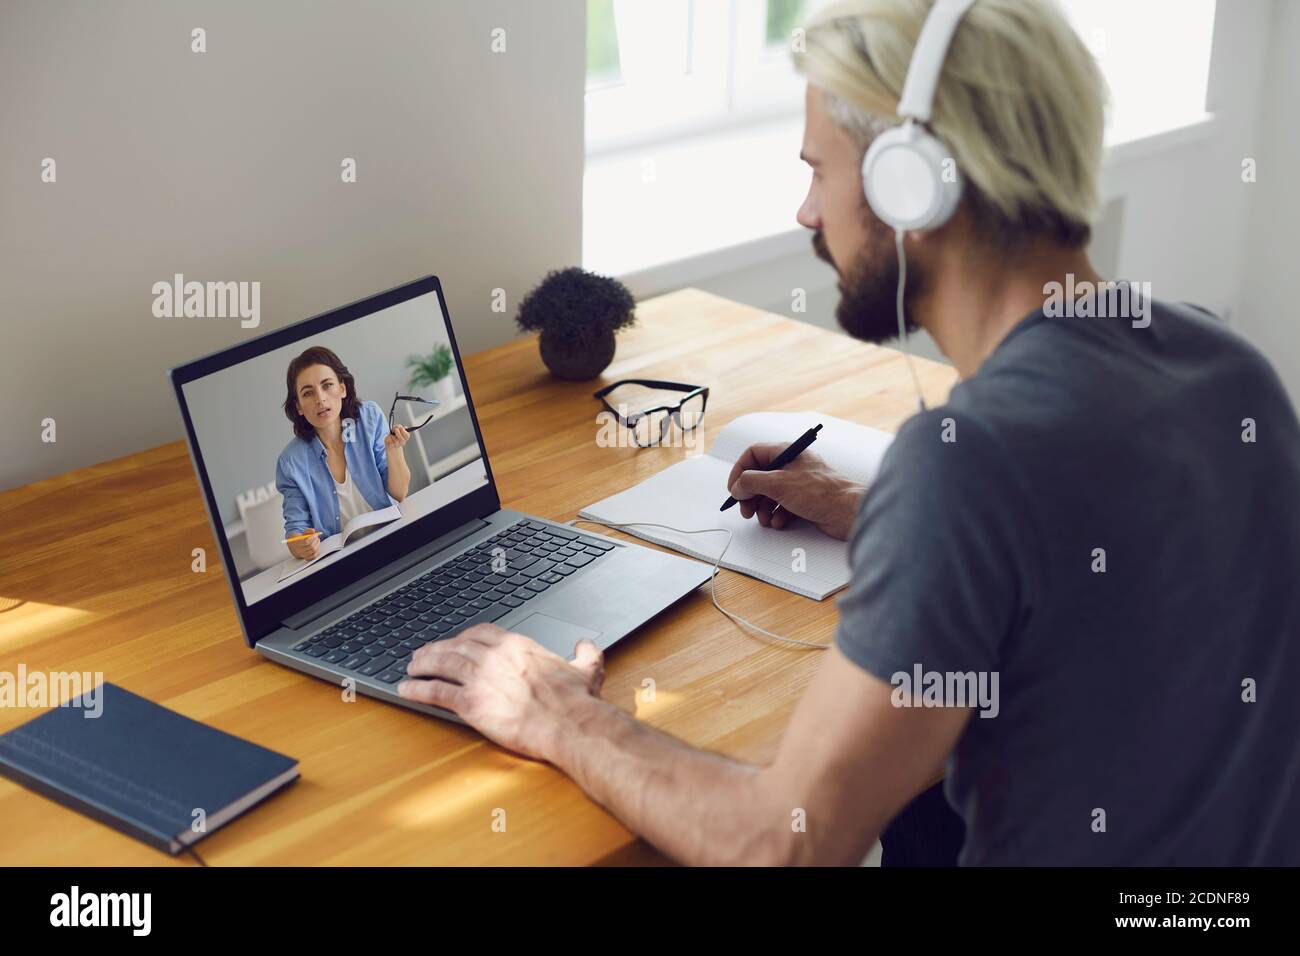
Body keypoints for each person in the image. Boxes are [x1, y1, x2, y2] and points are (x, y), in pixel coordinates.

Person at [398, 0, 1300, 864]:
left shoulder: (972, 466)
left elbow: (782, 842)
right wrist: (874, 515)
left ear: (912, 184)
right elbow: (1091, 557)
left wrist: (561, 714)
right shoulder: (1227, 368)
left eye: (817, 172)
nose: (807, 214)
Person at [275, 346, 411, 559]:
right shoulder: (290, 462)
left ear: (342, 388)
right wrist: (301, 544)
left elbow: (400, 492)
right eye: (308, 393)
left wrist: (394, 451)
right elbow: (295, 531)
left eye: (327, 385)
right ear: (298, 406)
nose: (320, 399)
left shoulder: (369, 418)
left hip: (392, 539)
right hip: (342, 561)